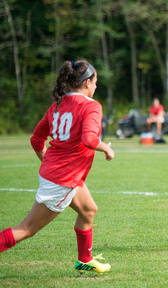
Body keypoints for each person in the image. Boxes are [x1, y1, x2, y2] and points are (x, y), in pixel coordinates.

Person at [0, 60, 114, 274]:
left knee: (89, 211)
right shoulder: (91, 106)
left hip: (61, 176)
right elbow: (90, 138)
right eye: (96, 82)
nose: (96, 87)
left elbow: (36, 140)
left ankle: (84, 260)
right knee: (27, 229)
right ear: (88, 82)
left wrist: (50, 165)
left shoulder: (58, 105)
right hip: (63, 179)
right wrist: (107, 149)